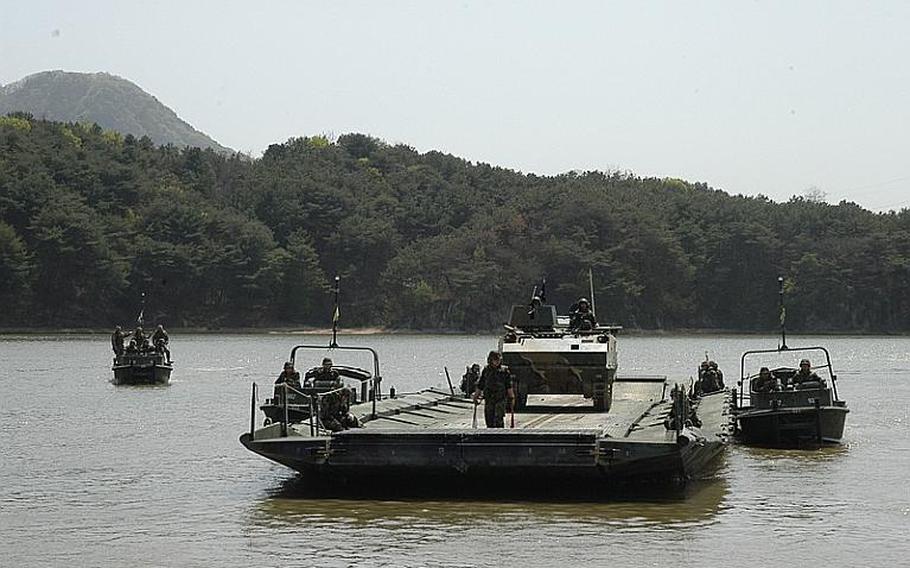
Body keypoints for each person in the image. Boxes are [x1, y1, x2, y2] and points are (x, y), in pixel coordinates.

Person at [473, 351, 515, 428]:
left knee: (498, 418)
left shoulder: (504, 371)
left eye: (498, 360)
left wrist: (511, 397)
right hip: (489, 399)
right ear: (490, 360)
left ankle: (500, 437)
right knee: (489, 420)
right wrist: (476, 396)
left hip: (500, 398)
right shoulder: (486, 370)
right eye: (495, 360)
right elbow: (481, 384)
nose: (497, 361)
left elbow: (509, 385)